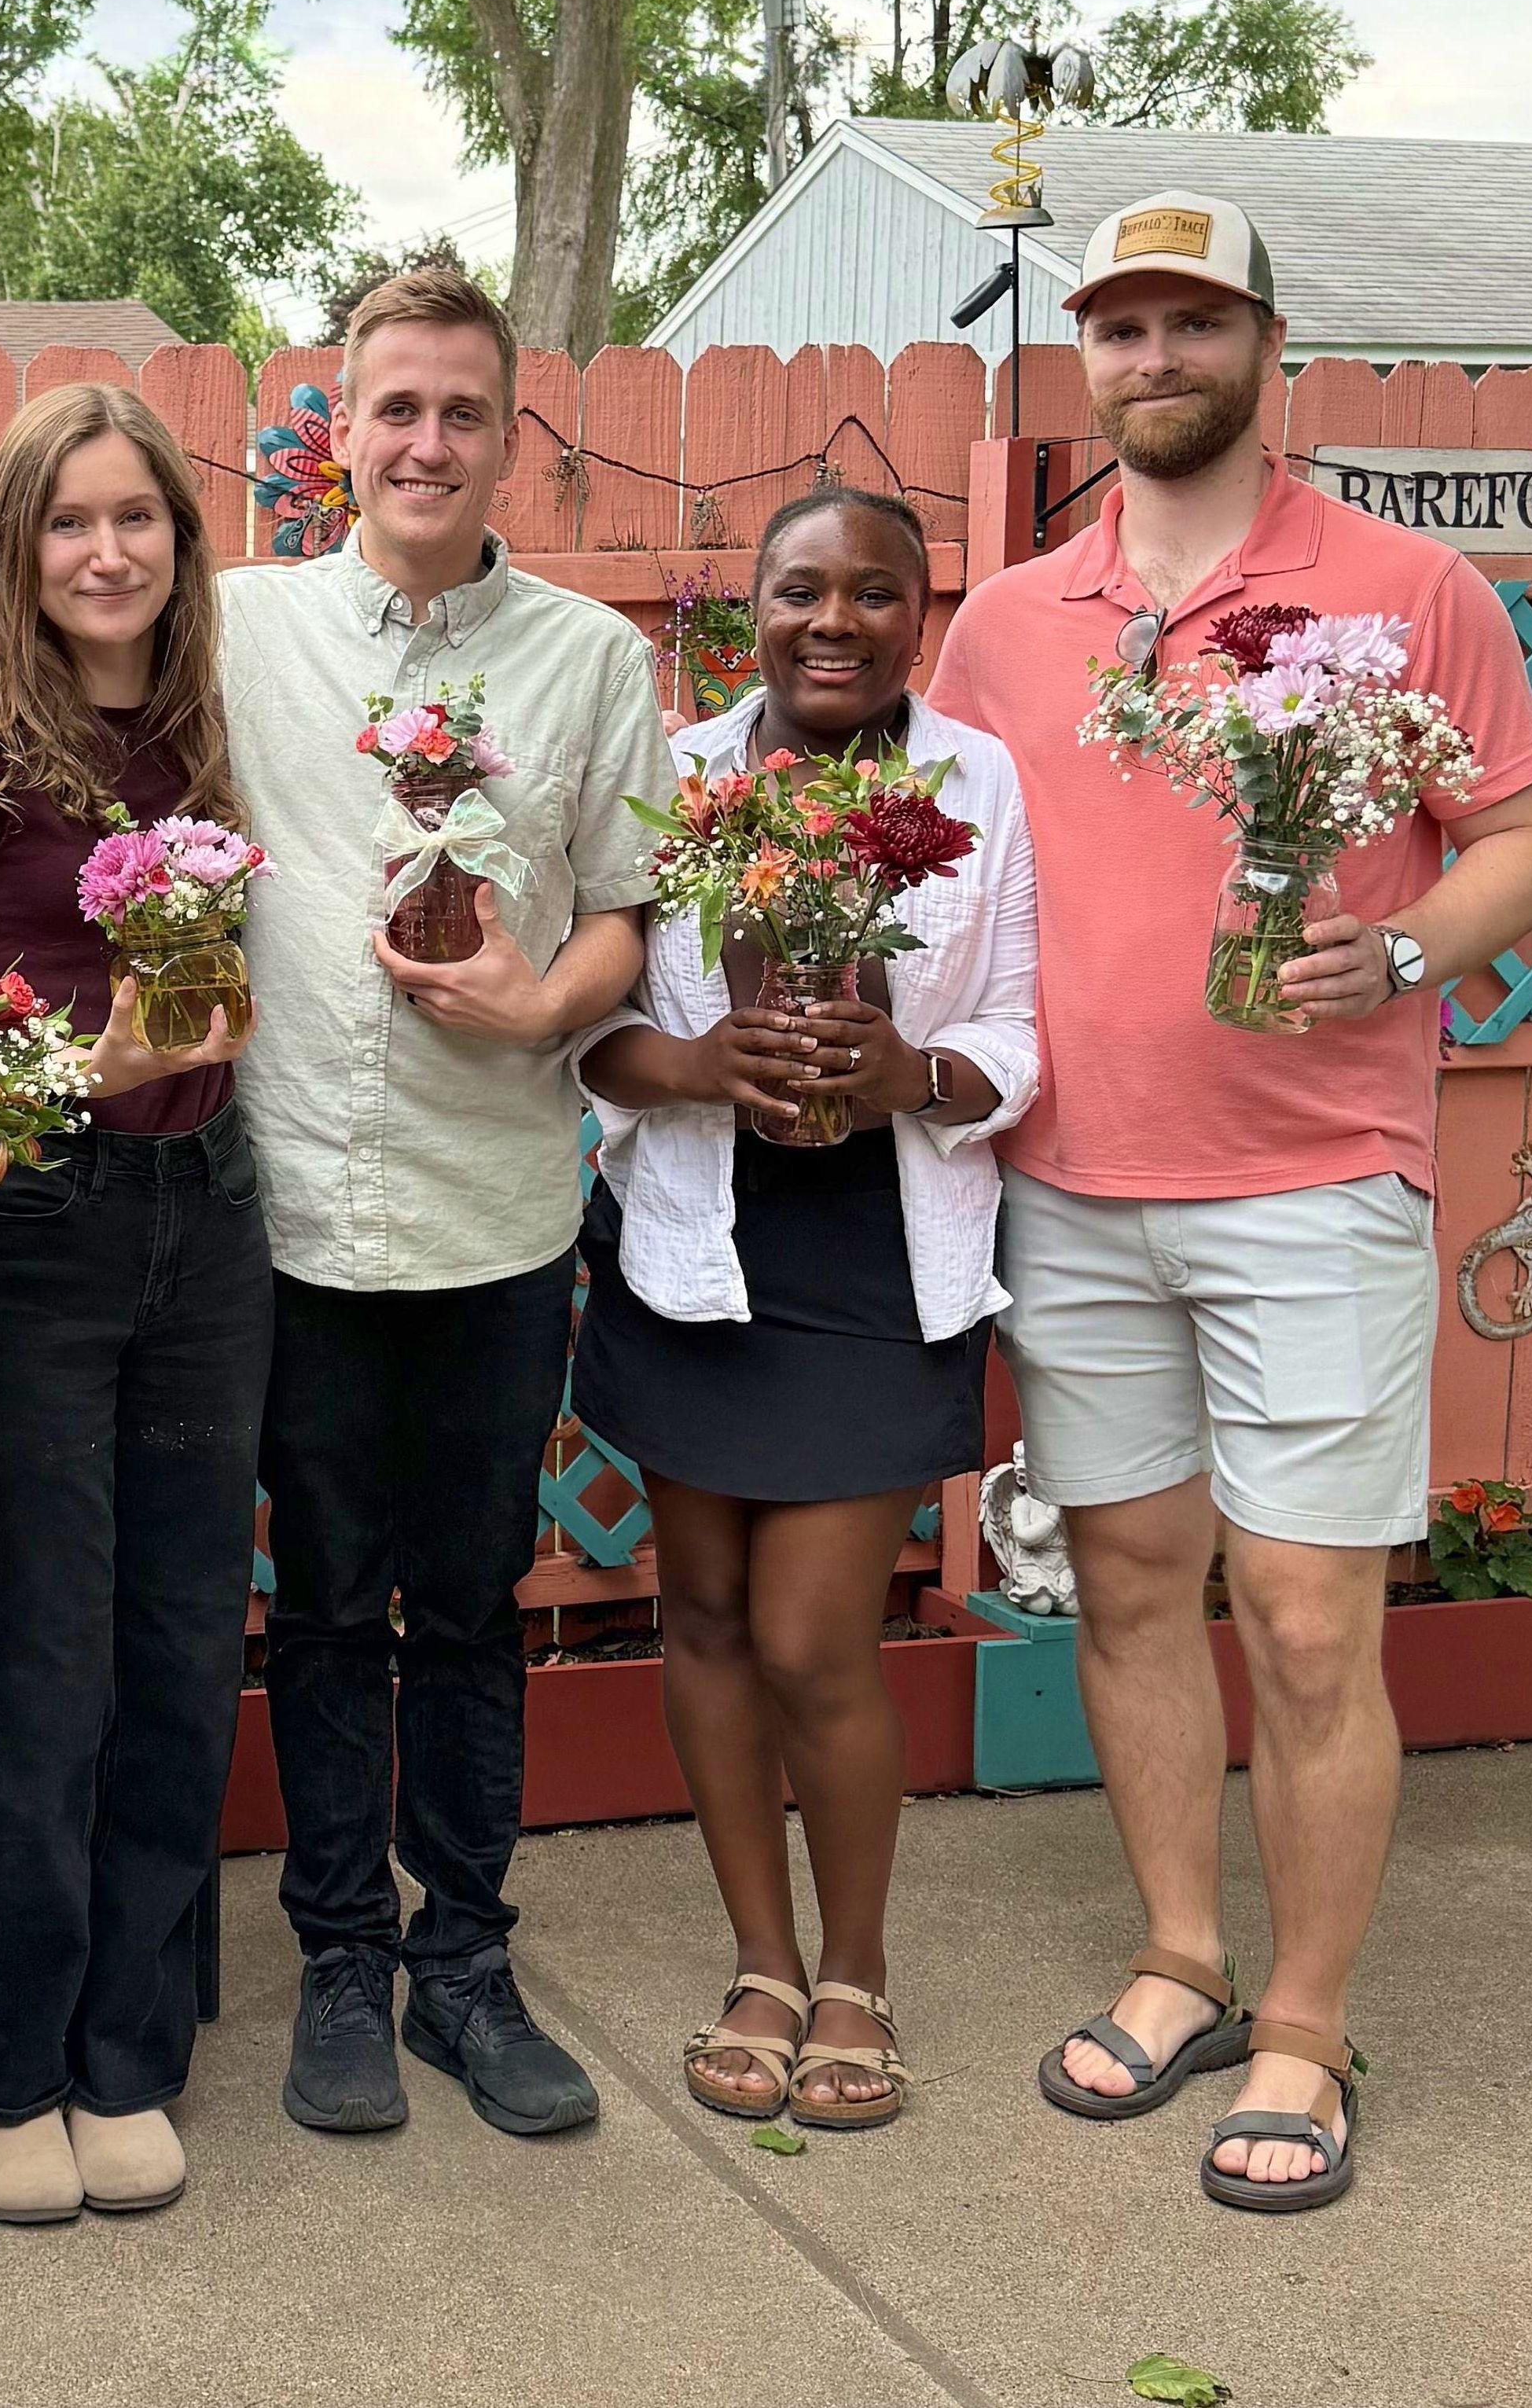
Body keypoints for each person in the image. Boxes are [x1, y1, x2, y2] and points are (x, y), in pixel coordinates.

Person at [928, 191, 1532, 2211]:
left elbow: (1521, 835)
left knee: (1300, 1621)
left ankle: (1302, 2019)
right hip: (1070, 1180)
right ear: (1085, 360)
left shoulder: (1399, 584)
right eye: (1119, 325)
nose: (1151, 356)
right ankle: (1177, 1956)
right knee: (1124, 1585)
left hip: (1309, 1179)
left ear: (1266, 345)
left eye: (1191, 320)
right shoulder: (1007, 616)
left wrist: (1395, 952)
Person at [221, 264, 670, 2140]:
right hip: (287, 1213)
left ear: (509, 438)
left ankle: (462, 1960)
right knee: (321, 1601)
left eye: (459, 412)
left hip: (491, 1206)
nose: (422, 442)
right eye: (390, 407)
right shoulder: (232, 630)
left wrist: (540, 1000)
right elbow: (39, 674)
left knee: (472, 1600)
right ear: (338, 426)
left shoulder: (586, 660)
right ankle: (338, 1946)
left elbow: (633, 913)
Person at [576, 487, 1036, 2132]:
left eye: (870, 591)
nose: (830, 619)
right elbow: (591, 1027)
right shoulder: (680, 779)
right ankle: (758, 1958)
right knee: (695, 1611)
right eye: (797, 589)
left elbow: (1021, 1024)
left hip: (872, 1255)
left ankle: (856, 1967)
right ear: (749, 609)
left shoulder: (977, 785)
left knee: (810, 1635)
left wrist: (912, 1071)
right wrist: (699, 1061)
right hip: (693, 1247)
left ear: (920, 610)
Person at [0, 384, 270, 2229]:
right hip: (30, 1222)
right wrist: (68, 1056)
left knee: (183, 1644)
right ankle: (9, 2065)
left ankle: (131, 2048)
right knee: (38, 1662)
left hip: (212, 1219)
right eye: (66, 521)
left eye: (137, 517)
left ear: (180, 540)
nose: (105, 552)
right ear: (17, 544)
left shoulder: (214, 717)